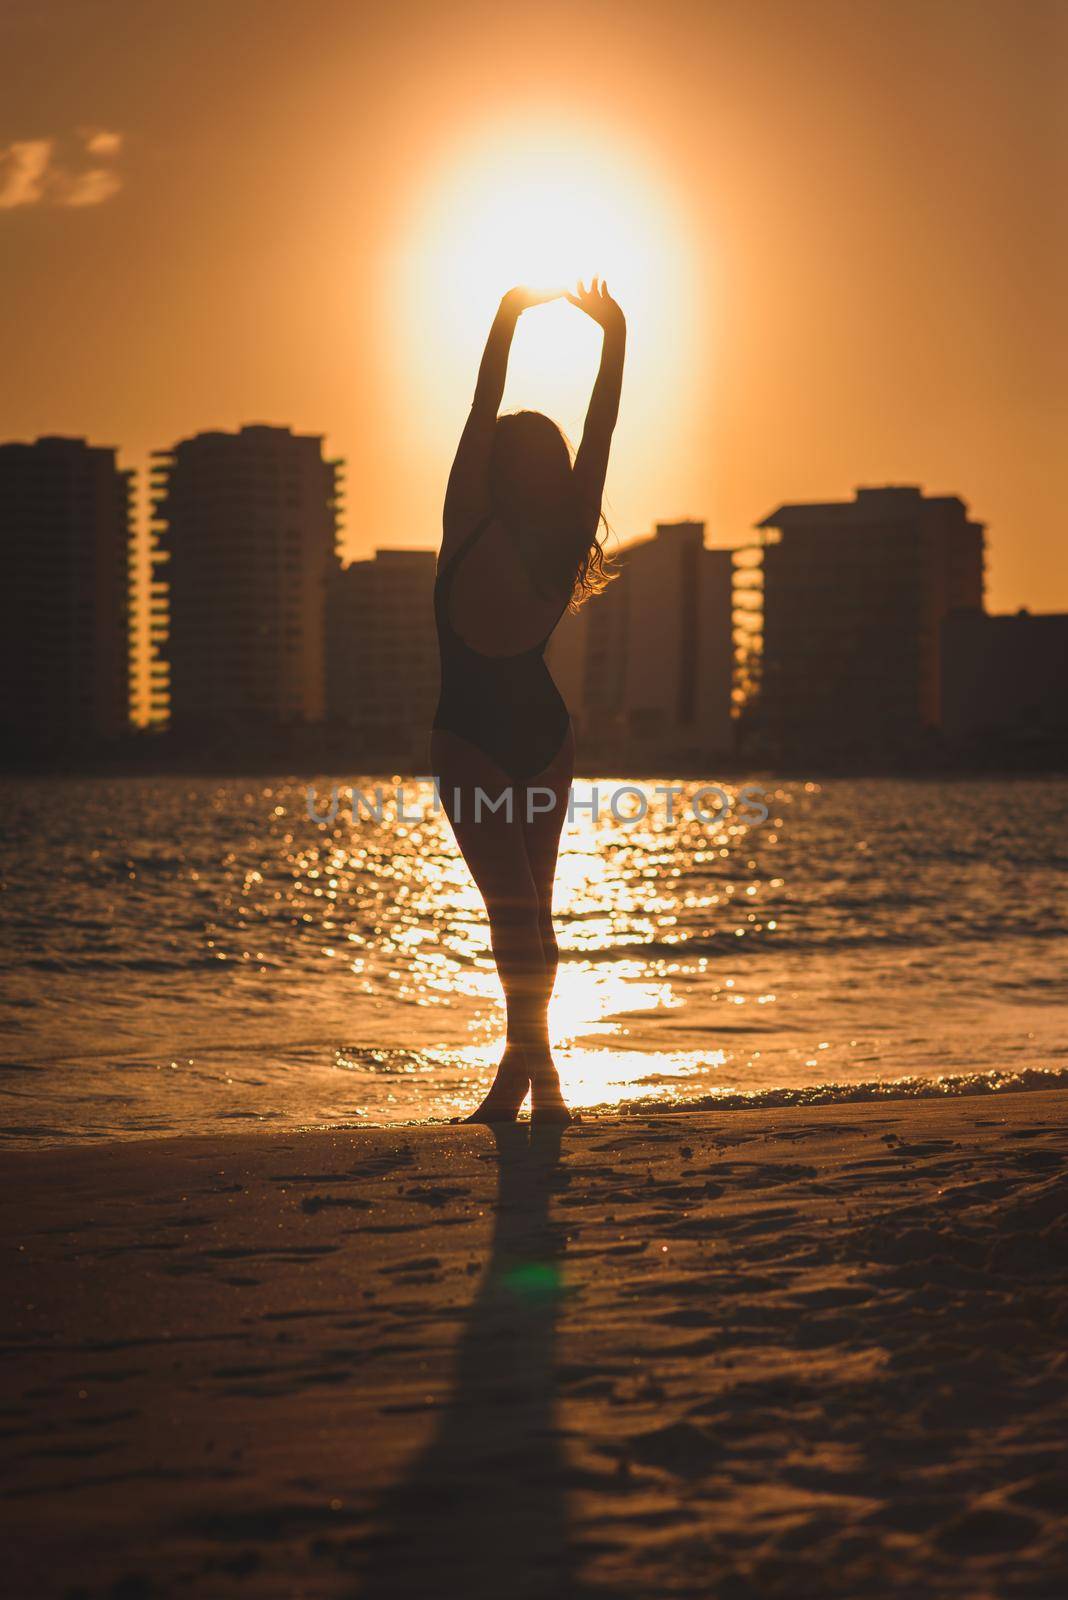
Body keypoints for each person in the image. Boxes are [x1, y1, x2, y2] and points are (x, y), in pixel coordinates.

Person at [431, 278, 626, 1124]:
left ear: (500, 466)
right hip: (529, 731)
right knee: (527, 918)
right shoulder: (556, 528)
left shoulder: (474, 515)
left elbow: (488, 406)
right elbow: (600, 425)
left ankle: (530, 1085)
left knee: (520, 918)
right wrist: (613, 335)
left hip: (486, 732)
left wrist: (509, 318)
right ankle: (535, 1085)